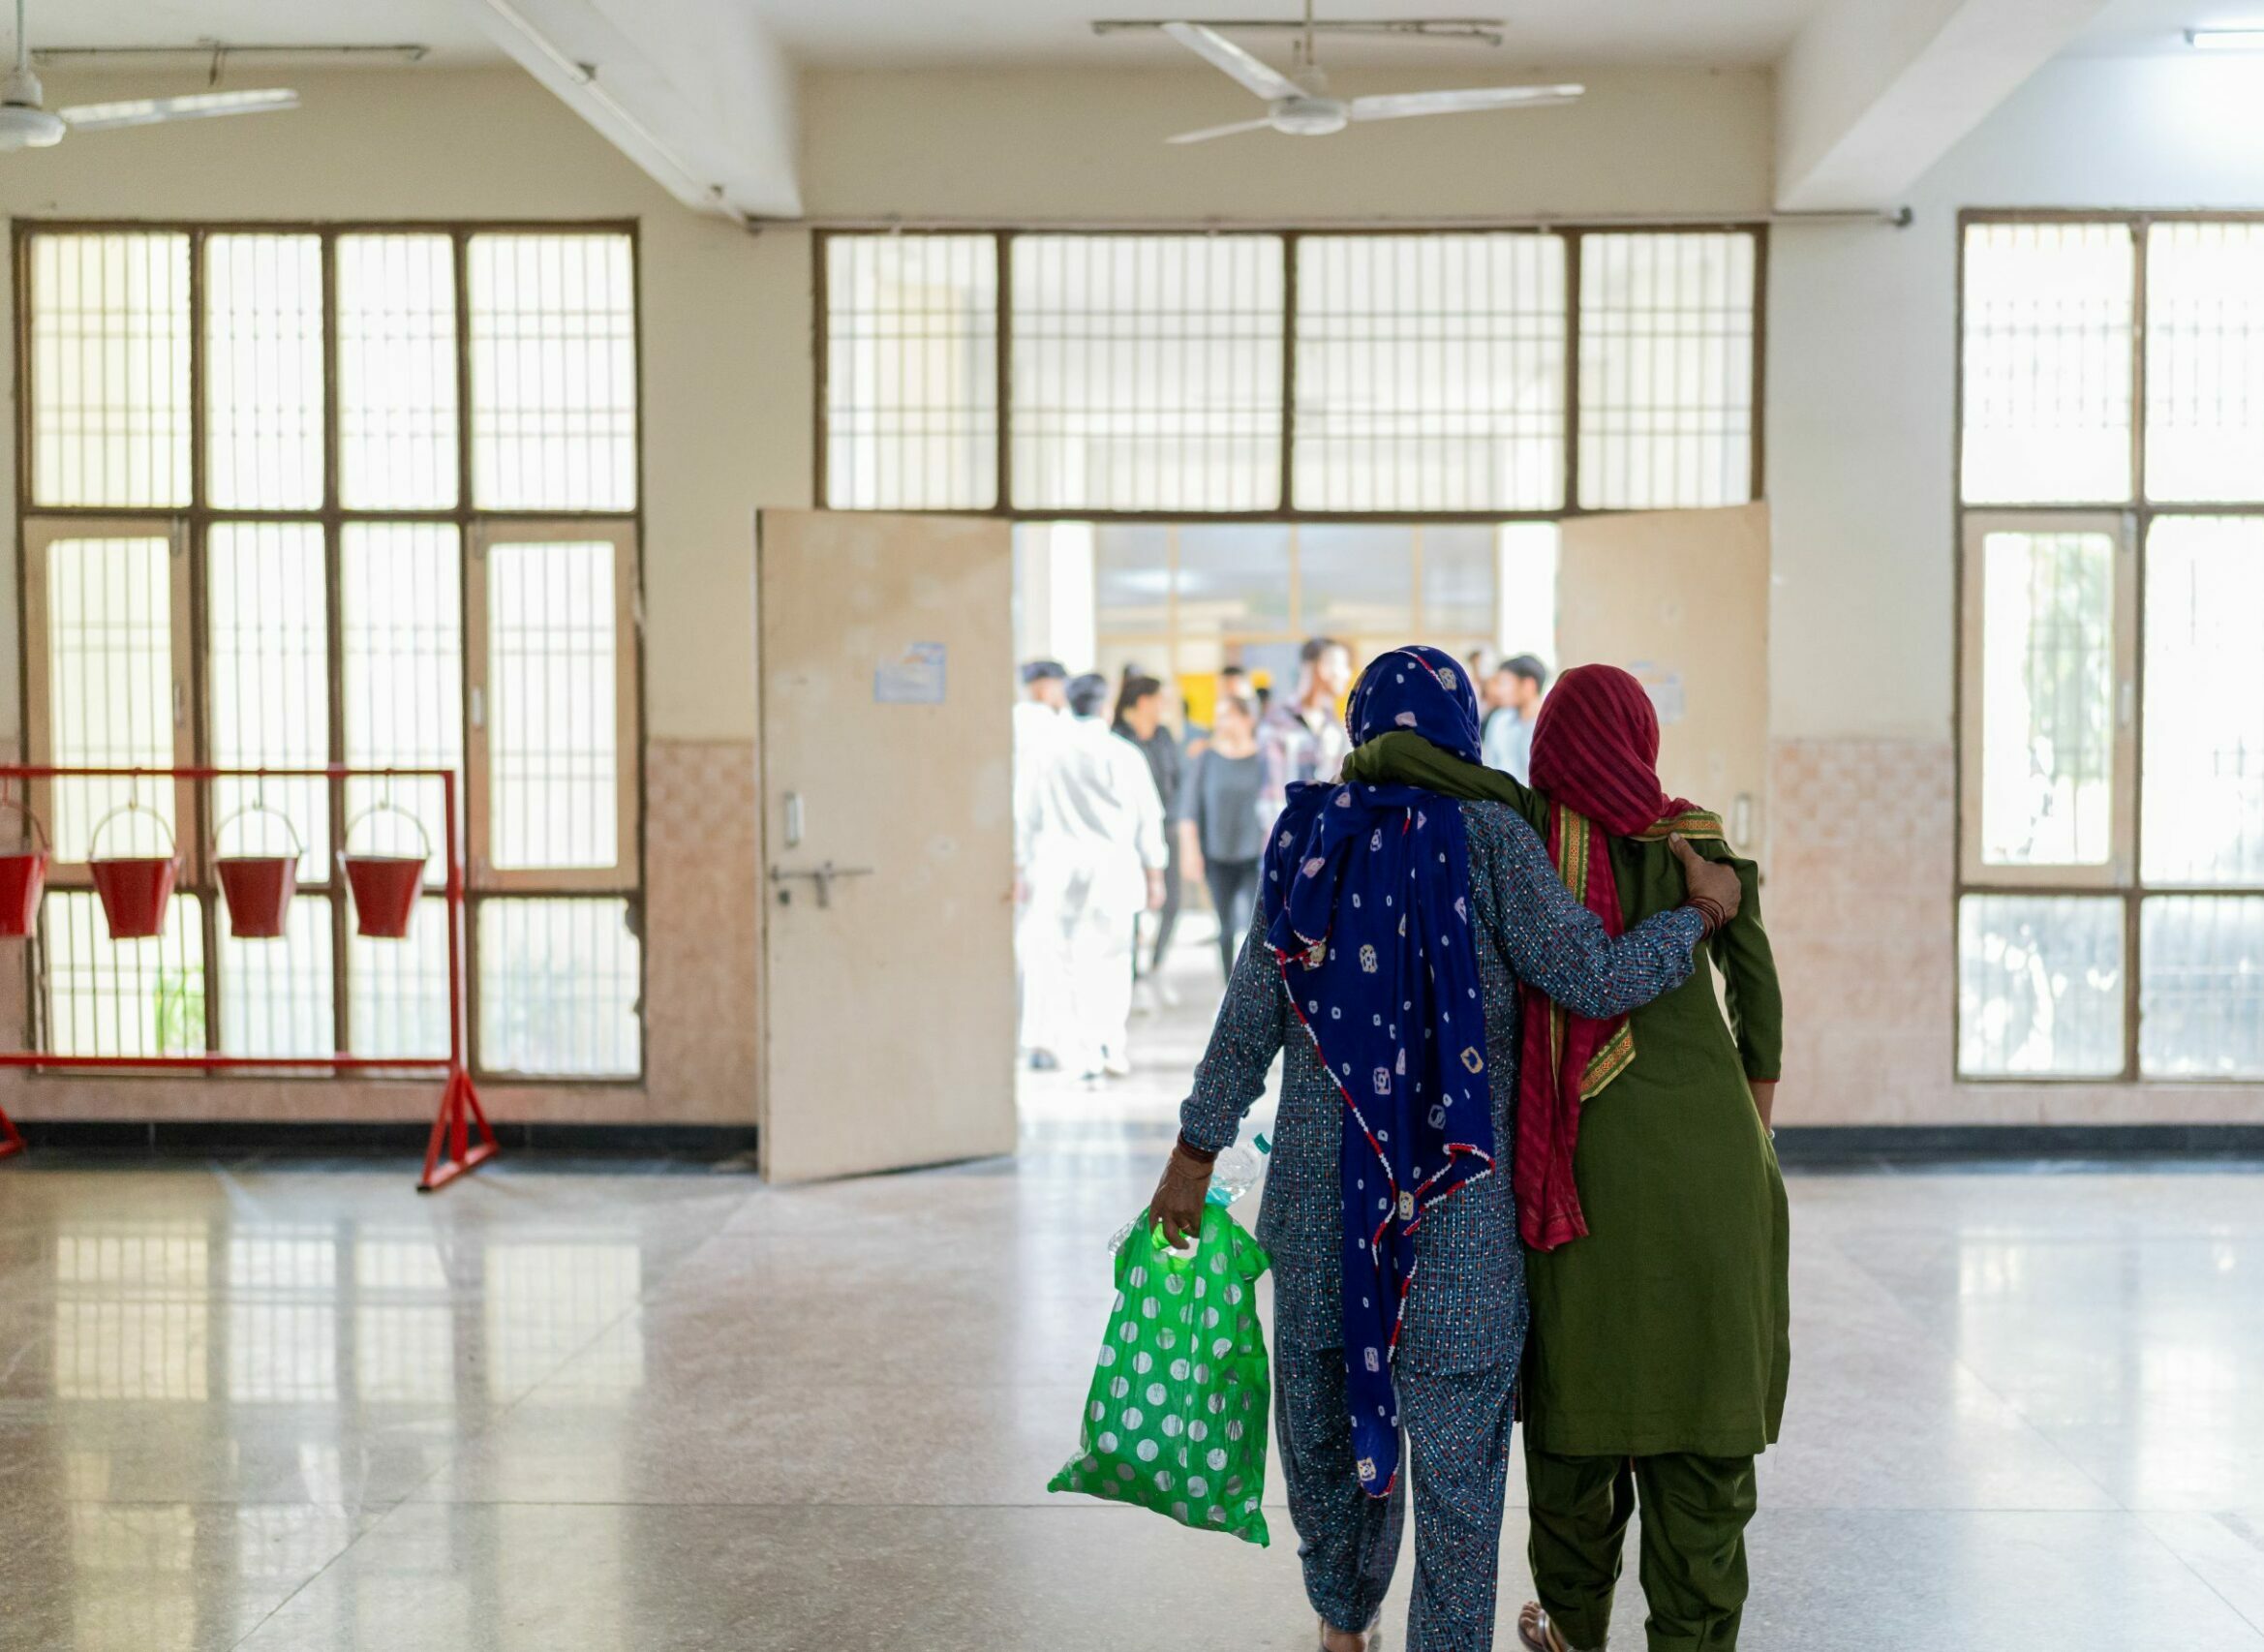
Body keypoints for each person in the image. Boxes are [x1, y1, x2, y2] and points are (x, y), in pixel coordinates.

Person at [1147, 647, 1745, 1652]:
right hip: (1457, 1230)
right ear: (1463, 733)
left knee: (1331, 1452)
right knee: (1460, 1489)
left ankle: (1344, 1626)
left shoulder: (1305, 836)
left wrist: (1192, 1154)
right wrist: (1699, 913)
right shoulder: (1494, 839)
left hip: (1320, 1227)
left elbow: (1249, 1015)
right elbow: (1591, 975)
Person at [1342, 662, 1789, 1652]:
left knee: (1577, 1423)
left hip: (1566, 1166)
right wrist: (1748, 1129)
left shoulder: (1516, 836)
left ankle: (1573, 1626)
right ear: (1640, 738)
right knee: (1703, 1422)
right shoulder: (1696, 839)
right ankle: (1692, 1633)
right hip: (1712, 1167)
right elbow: (1758, 1003)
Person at [1019, 672, 1169, 1080]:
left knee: (1065, 960)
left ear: (1069, 704)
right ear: (1105, 707)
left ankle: (1079, 1049)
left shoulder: (1044, 753)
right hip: (1115, 870)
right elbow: (1148, 818)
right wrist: (1156, 873)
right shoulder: (1124, 755)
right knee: (1114, 961)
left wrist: (1019, 869)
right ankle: (1109, 1045)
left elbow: (1026, 818)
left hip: (1059, 869)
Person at [1174, 688, 1266, 982]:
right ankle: (1229, 989)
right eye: (1218, 716)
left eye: (1226, 716)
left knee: (1255, 926)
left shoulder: (1264, 759)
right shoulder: (1206, 758)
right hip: (1217, 853)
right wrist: (1190, 852)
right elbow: (1188, 809)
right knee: (1225, 927)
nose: (1220, 723)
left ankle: (1253, 986)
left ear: (1246, 718)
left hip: (1255, 854)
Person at [1013, 660, 1072, 1069]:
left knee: (1035, 946)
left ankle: (1037, 1037)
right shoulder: (1044, 728)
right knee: (1045, 947)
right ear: (1044, 687)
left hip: (1033, 852)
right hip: (1043, 853)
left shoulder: (1022, 724)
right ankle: (1040, 1039)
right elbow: (1027, 801)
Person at [1114, 674, 1186, 990]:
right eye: (1161, 699)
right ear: (1144, 701)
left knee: (1172, 901)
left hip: (1165, 826)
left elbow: (1176, 779)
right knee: (1130, 900)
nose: (1165, 706)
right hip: (1126, 832)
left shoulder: (1163, 736)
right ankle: (1129, 971)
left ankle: (1154, 964)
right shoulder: (1117, 737)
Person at [1258, 636, 1355, 813]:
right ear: (1323, 668)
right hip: (1289, 836)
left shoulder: (1336, 728)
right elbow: (1272, 798)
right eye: (1343, 666)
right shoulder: (1276, 723)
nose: (1348, 674)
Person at [1481, 655, 1548, 782]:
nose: (1499, 691)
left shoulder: (1550, 726)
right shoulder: (1499, 720)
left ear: (1528, 685)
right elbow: (1490, 763)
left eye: (1504, 683)